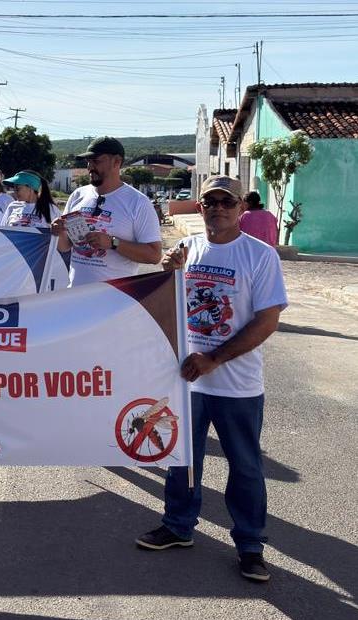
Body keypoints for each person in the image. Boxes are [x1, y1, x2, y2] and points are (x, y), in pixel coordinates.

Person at [136, 175, 288, 583]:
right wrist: (167, 275)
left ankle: (251, 545)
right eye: (210, 201)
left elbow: (267, 320)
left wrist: (215, 358)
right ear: (200, 207)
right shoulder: (187, 249)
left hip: (237, 385)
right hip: (187, 380)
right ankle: (178, 525)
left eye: (227, 201)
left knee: (245, 467)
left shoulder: (260, 255)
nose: (218, 208)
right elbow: (168, 307)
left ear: (241, 208)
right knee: (181, 458)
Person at [50, 137, 162, 286]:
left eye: (96, 161)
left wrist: (113, 243)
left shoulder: (138, 202)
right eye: (88, 162)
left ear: (116, 162)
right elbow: (65, 247)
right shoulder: (78, 195)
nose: (90, 167)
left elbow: (154, 255)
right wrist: (58, 232)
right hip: (76, 293)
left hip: (115, 296)